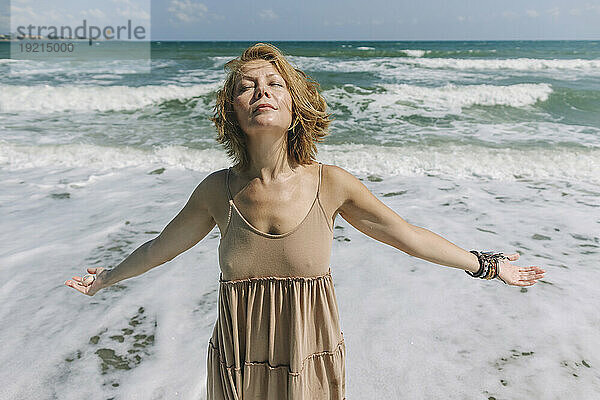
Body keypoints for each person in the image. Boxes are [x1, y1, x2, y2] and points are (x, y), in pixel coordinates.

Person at [65, 42, 546, 399]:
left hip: (308, 356)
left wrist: (486, 265)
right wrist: (107, 278)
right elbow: (159, 248)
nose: (261, 92)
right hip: (240, 360)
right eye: (246, 86)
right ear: (233, 110)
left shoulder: (332, 183)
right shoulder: (218, 190)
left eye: (275, 84)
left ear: (295, 107)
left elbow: (406, 235)